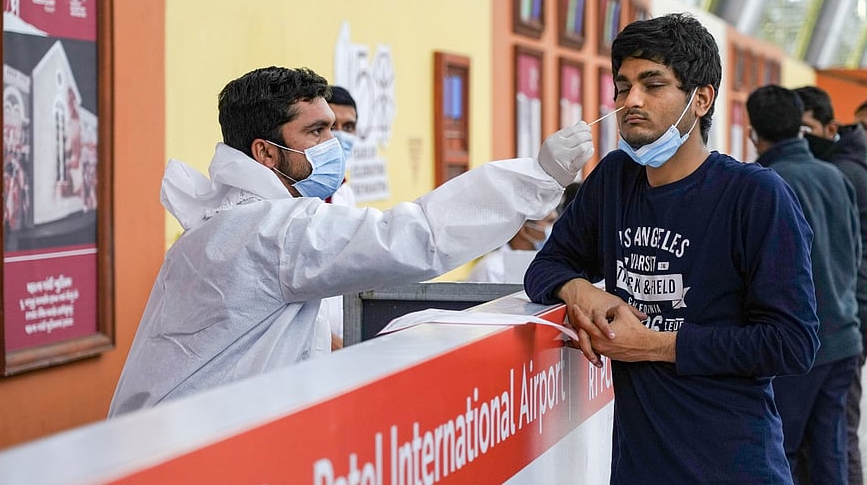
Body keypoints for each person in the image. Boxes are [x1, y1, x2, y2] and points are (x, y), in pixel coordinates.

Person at [108, 66, 594, 417]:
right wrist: (535, 177)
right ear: (265, 153)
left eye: (336, 129)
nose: (334, 145)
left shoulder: (221, 224)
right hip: (202, 448)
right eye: (316, 132)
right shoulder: (272, 232)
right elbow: (413, 237)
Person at [524, 13, 819, 483]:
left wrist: (656, 346)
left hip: (733, 467)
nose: (631, 101)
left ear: (700, 99)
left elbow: (792, 343)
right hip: (639, 466)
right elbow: (547, 266)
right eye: (622, 87)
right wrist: (583, 293)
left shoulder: (755, 196)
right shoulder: (614, 181)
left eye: (652, 84)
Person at [749, 84, 861, 484]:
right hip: (844, 337)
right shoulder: (834, 175)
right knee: (831, 450)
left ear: (753, 135)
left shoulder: (766, 184)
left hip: (798, 346)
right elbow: (854, 250)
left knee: (784, 452)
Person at [796, 84, 867, 485]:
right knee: (832, 439)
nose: (800, 140)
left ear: (829, 128)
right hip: (847, 320)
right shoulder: (847, 167)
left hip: (843, 322)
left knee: (835, 440)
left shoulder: (842, 175)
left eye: (806, 130)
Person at [318, 85, 358, 350]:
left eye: (349, 127)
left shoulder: (346, 195)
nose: (341, 135)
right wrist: (330, 344)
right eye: (333, 126)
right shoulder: (296, 196)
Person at [465, 209, 558, 283]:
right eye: (550, 221)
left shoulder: (552, 262)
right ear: (525, 230)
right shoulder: (492, 268)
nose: (556, 227)